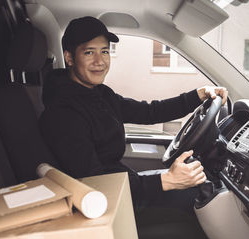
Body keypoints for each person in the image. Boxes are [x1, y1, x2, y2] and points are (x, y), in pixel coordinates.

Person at [39, 16, 228, 210]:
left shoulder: (100, 94)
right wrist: (166, 181)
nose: (100, 61)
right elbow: (94, 182)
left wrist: (198, 95)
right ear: (70, 58)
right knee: (204, 195)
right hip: (108, 203)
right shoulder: (63, 114)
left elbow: (149, 112)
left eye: (105, 51)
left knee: (202, 187)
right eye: (89, 52)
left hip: (122, 184)